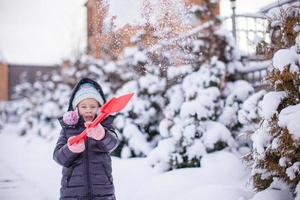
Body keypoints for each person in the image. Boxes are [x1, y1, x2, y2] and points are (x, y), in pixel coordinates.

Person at [53, 77, 119, 200]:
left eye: (93, 106)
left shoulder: (104, 126)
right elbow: (58, 157)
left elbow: (113, 144)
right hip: (72, 193)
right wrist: (70, 149)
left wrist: (102, 135)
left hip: (103, 191)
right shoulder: (68, 128)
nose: (88, 110)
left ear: (99, 107)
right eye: (84, 106)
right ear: (76, 108)